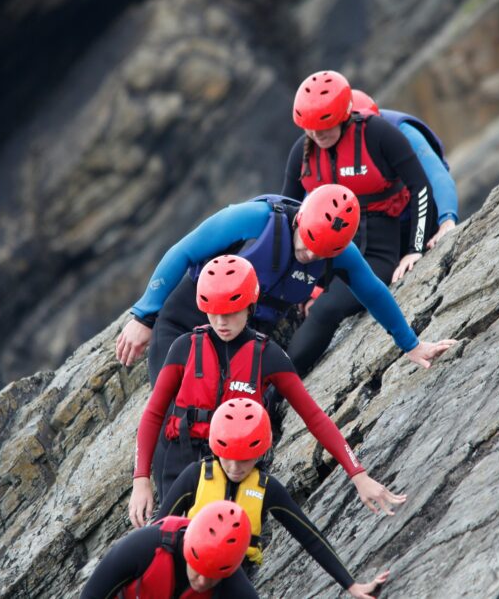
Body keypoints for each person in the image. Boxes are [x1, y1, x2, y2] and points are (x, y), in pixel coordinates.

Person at [128, 255, 406, 528]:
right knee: (172, 548)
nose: (221, 322)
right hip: (179, 461)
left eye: (231, 312)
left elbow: (314, 417)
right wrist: (141, 481)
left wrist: (358, 474)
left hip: (237, 468)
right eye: (214, 312)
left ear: (250, 307)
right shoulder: (184, 347)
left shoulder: (268, 356)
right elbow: (153, 414)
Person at [115, 184, 456, 381]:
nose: (308, 254)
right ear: (301, 219)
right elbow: (183, 251)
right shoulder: (256, 219)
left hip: (244, 333)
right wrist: (144, 316)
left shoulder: (340, 253)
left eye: (318, 252)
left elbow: (374, 294)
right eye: (306, 242)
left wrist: (412, 345)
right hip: (189, 315)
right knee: (175, 404)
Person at [282, 70, 439, 375]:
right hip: (325, 251)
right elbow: (287, 217)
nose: (318, 135)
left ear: (343, 114)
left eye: (325, 125)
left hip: (379, 249)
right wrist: (305, 284)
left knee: (328, 308)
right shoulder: (300, 153)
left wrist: (415, 249)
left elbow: (420, 187)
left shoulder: (377, 134)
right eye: (311, 128)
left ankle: (276, 388)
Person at [156, 399, 392, 599]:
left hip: (232, 578)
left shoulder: (267, 488)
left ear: (260, 453)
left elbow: (309, 536)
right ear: (216, 447)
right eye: (228, 457)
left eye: (245, 459)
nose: (235, 467)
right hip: (189, 567)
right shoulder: (195, 476)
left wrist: (352, 585)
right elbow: (158, 531)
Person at [350, 89, 459, 251]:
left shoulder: (401, 130)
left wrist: (447, 220)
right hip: (376, 230)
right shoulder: (326, 149)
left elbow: (436, 174)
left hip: (422, 215)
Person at [78, 500, 257, 598]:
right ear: (187, 546)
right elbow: (91, 595)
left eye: (212, 577)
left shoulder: (237, 588)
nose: (202, 582)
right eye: (198, 568)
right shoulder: (143, 546)